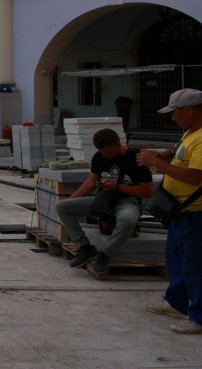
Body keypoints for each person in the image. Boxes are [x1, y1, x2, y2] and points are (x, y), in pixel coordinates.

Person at [137, 88, 202, 335]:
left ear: (188, 110)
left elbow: (196, 176)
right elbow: (180, 154)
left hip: (195, 213)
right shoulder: (190, 133)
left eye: (174, 113)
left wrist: (157, 164)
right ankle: (175, 301)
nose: (172, 119)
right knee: (177, 260)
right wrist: (164, 154)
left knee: (195, 265)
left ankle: (198, 315)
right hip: (179, 211)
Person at [56, 127, 153, 276]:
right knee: (63, 207)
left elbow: (147, 191)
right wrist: (72, 198)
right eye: (102, 152)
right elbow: (90, 182)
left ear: (117, 144)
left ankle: (105, 254)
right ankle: (85, 247)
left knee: (128, 219)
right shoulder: (99, 157)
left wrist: (118, 187)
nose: (105, 155)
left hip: (127, 201)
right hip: (104, 200)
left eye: (108, 152)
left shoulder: (135, 157)